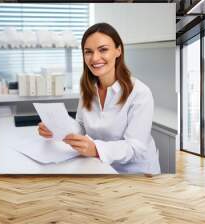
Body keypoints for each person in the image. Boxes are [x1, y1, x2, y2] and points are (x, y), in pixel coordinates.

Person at [38, 23, 160, 175]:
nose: (95, 58)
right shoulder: (87, 88)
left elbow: (135, 147)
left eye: (103, 49)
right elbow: (81, 126)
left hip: (135, 173)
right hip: (99, 166)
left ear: (118, 51)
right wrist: (56, 126)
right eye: (88, 52)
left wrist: (96, 149)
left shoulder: (140, 93)